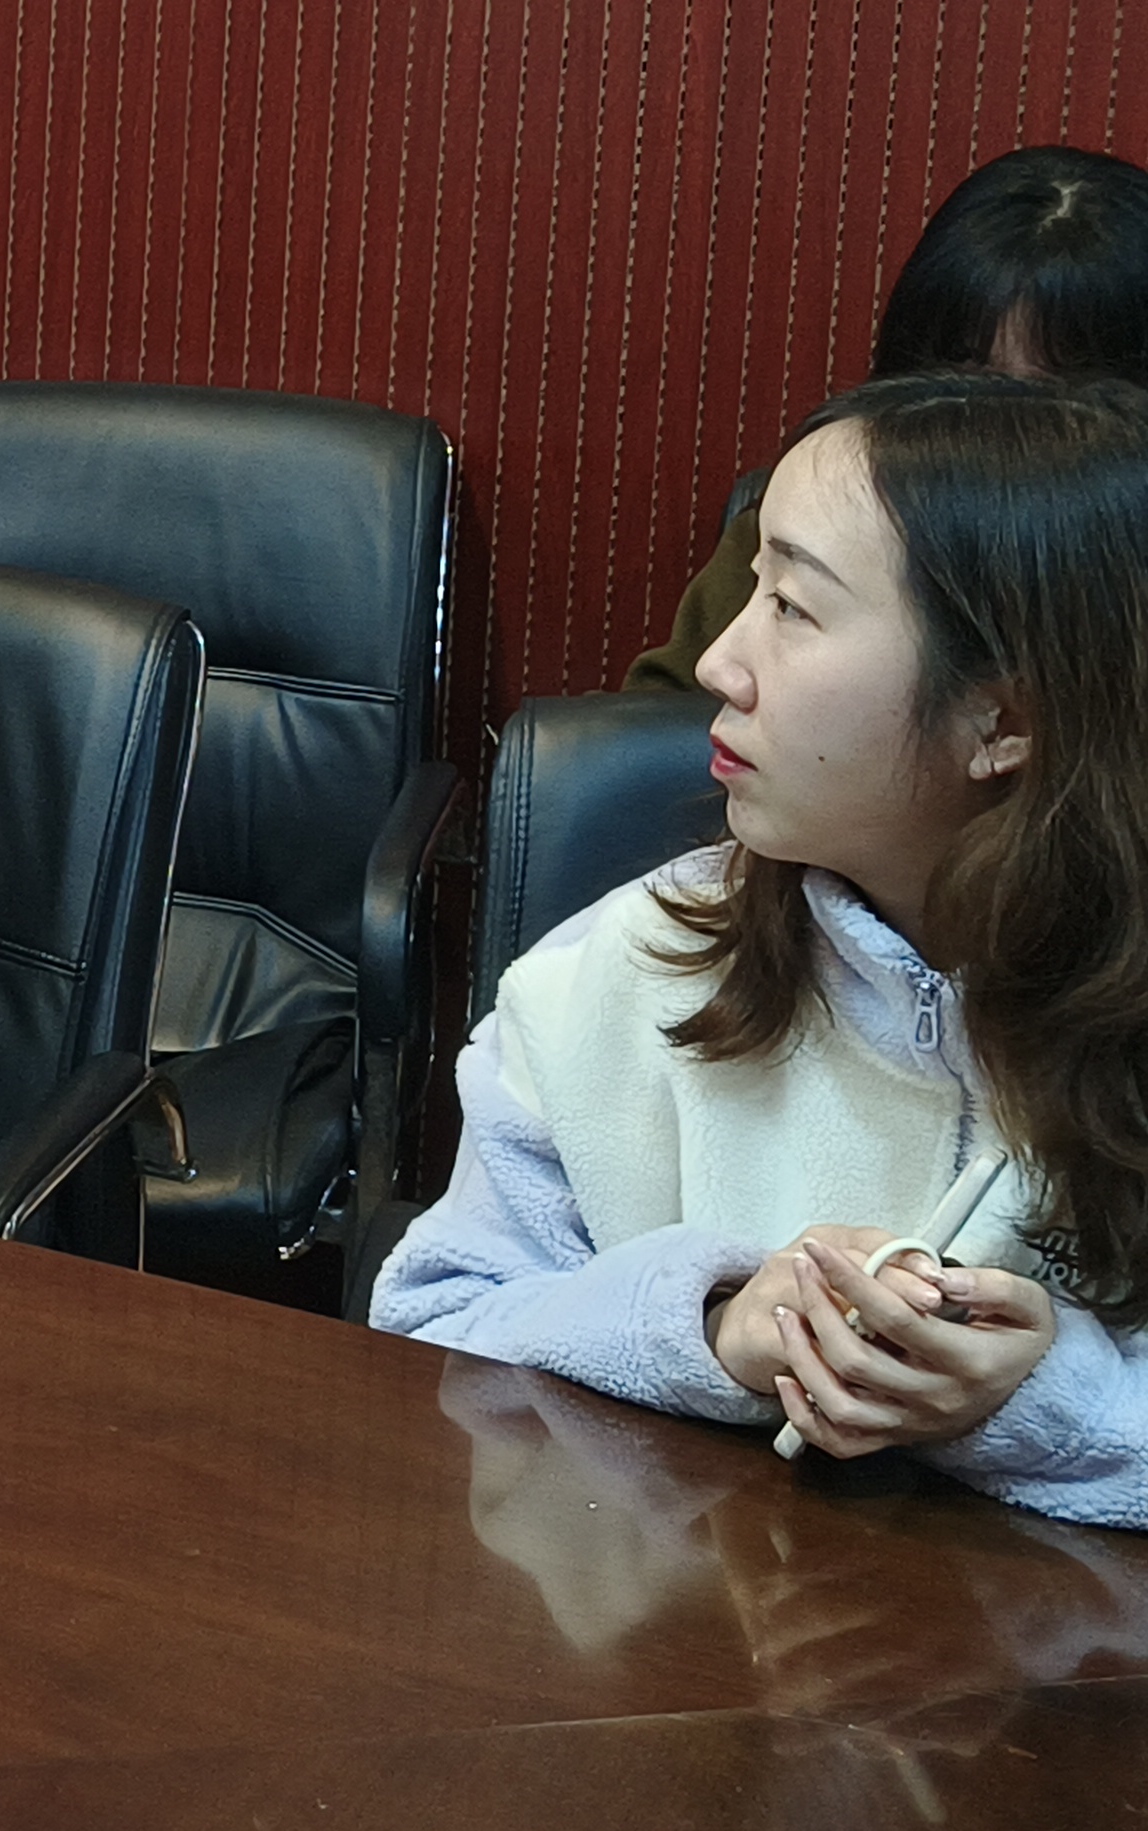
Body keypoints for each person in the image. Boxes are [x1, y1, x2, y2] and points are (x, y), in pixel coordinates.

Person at [378, 372, 1148, 1528]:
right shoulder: (624, 973)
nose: (717, 663)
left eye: (792, 607)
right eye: (754, 587)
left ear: (1003, 721)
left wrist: (1048, 1404)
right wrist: (711, 1325)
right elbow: (427, 1330)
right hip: (686, 1629)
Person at [627, 146, 1148, 688]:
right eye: (971, 385)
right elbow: (660, 723)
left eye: (1052, 397)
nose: (1002, 428)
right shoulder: (808, 536)